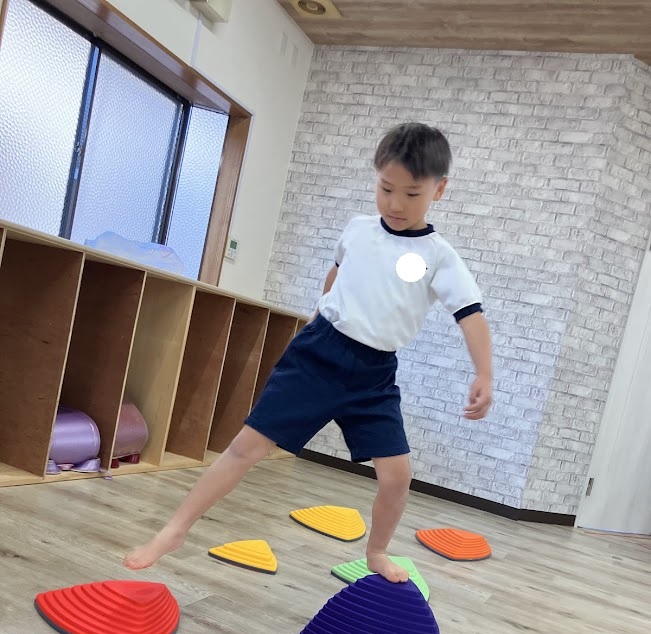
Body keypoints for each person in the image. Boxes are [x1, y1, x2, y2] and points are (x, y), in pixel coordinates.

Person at [124, 122, 493, 581]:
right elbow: (338, 273)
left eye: (412, 194)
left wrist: (484, 374)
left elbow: (470, 316)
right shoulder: (358, 230)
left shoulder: (439, 257)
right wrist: (321, 314)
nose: (396, 204)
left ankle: (377, 551)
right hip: (319, 354)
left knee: (398, 476)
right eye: (386, 188)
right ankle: (174, 529)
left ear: (439, 190)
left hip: (374, 374)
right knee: (245, 448)